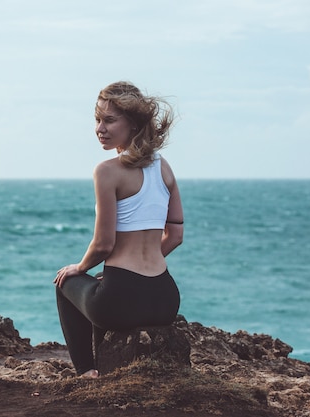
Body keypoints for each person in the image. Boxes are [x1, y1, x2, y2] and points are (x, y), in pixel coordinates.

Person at [53, 81, 184, 378]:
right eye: (97, 120)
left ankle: (87, 372)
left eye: (109, 120)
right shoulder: (163, 167)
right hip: (165, 298)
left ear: (134, 123)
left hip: (121, 300)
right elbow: (175, 235)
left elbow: (103, 244)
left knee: (65, 283)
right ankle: (109, 363)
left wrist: (79, 267)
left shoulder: (107, 171)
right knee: (102, 283)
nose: (100, 128)